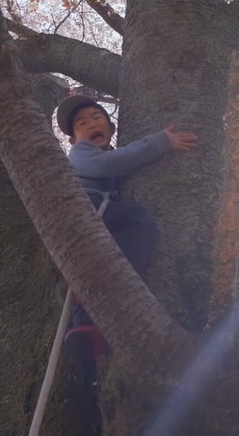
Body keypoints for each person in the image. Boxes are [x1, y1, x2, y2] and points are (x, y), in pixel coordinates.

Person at [54, 94, 197, 357]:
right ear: (73, 140)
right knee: (136, 221)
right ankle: (103, 293)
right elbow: (109, 163)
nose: (91, 124)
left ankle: (85, 328)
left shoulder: (102, 164)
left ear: (111, 129)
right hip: (83, 210)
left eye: (97, 118)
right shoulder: (79, 153)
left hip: (93, 216)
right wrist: (159, 142)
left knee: (95, 261)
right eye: (82, 124)